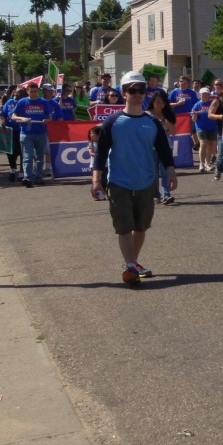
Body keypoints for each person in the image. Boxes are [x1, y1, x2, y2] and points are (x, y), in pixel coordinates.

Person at [91, 70, 176, 284]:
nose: (137, 93)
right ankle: (130, 265)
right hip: (118, 182)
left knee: (141, 226)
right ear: (124, 93)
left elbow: (164, 150)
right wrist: (96, 180)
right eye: (132, 90)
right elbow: (101, 153)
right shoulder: (112, 122)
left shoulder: (153, 123)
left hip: (146, 182)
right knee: (123, 226)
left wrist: (171, 172)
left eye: (141, 90)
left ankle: (133, 262)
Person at [10, 81, 60, 187]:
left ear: (38, 92)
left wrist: (47, 120)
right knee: (27, 156)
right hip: (26, 133)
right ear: (27, 91)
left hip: (41, 133)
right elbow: (13, 116)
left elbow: (50, 116)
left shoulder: (43, 102)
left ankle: (38, 177)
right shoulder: (22, 102)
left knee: (39, 157)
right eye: (31, 91)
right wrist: (22, 118)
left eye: (35, 91)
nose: (33, 93)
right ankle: (27, 177)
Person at [147, 89, 177, 204]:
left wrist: (166, 123)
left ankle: (166, 194)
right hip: (151, 148)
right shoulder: (146, 115)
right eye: (158, 102)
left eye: (163, 103)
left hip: (165, 148)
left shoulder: (167, 115)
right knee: (153, 172)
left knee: (166, 172)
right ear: (153, 102)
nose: (160, 105)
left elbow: (173, 132)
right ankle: (155, 194)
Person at [0, 86, 26, 181]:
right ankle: (12, 170)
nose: (20, 94)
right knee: (10, 152)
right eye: (18, 92)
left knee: (23, 152)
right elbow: (3, 114)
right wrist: (3, 121)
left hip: (22, 131)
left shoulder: (25, 102)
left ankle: (22, 173)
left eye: (22, 93)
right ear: (14, 92)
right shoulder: (9, 102)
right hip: (10, 131)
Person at [192, 87, 217, 172]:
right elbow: (194, 119)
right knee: (203, 144)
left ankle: (207, 163)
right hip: (201, 127)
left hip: (212, 127)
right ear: (200, 94)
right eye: (203, 94)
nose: (205, 95)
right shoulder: (197, 105)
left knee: (210, 145)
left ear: (209, 95)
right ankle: (201, 164)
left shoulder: (212, 103)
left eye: (206, 93)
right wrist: (194, 115)